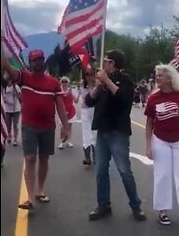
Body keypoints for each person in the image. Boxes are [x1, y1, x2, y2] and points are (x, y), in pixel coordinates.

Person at [1, 49, 69, 210]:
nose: (39, 62)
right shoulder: (24, 77)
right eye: (36, 60)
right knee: (30, 158)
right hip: (29, 126)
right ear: (30, 63)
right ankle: (30, 197)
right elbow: (7, 67)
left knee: (44, 159)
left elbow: (60, 105)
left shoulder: (53, 82)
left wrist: (65, 127)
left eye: (41, 59)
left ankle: (40, 190)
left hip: (48, 126)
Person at [85, 50, 146, 221]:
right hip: (102, 131)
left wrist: (107, 81)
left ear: (113, 63)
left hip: (118, 131)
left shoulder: (126, 81)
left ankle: (136, 205)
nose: (103, 64)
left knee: (124, 171)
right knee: (101, 171)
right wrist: (98, 86)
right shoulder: (102, 83)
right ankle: (103, 205)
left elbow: (124, 99)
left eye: (106, 61)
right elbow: (88, 102)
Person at [144, 64, 179, 226]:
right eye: (157, 75)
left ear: (169, 78)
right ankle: (162, 210)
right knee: (162, 176)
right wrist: (148, 145)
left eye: (160, 75)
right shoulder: (153, 98)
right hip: (161, 140)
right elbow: (149, 123)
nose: (157, 78)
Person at [78, 71, 97, 165]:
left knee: (95, 134)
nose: (89, 77)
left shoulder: (98, 86)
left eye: (91, 75)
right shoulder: (82, 86)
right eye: (87, 75)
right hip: (85, 110)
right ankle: (87, 157)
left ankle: (96, 157)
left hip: (95, 110)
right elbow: (86, 98)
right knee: (86, 134)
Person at [2, 75, 22, 146]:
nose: (8, 81)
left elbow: (20, 96)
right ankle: (9, 135)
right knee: (8, 124)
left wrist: (16, 94)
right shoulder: (4, 88)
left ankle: (15, 139)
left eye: (9, 80)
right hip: (7, 109)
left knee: (15, 124)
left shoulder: (15, 87)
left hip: (16, 108)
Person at [58, 76, 77, 149]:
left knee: (69, 127)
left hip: (71, 111)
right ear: (61, 83)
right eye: (63, 81)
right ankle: (62, 142)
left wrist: (79, 93)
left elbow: (75, 100)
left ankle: (68, 141)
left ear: (68, 83)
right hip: (62, 112)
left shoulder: (71, 91)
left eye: (66, 81)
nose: (64, 83)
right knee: (63, 128)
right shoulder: (59, 91)